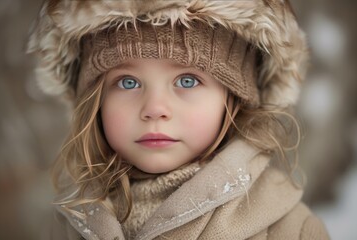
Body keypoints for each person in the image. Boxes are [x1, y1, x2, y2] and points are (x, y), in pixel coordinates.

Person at [28, 0, 330, 239]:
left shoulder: (291, 229)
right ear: (94, 102)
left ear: (235, 99)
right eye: (128, 82)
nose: (155, 108)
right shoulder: (69, 223)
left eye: (187, 81)